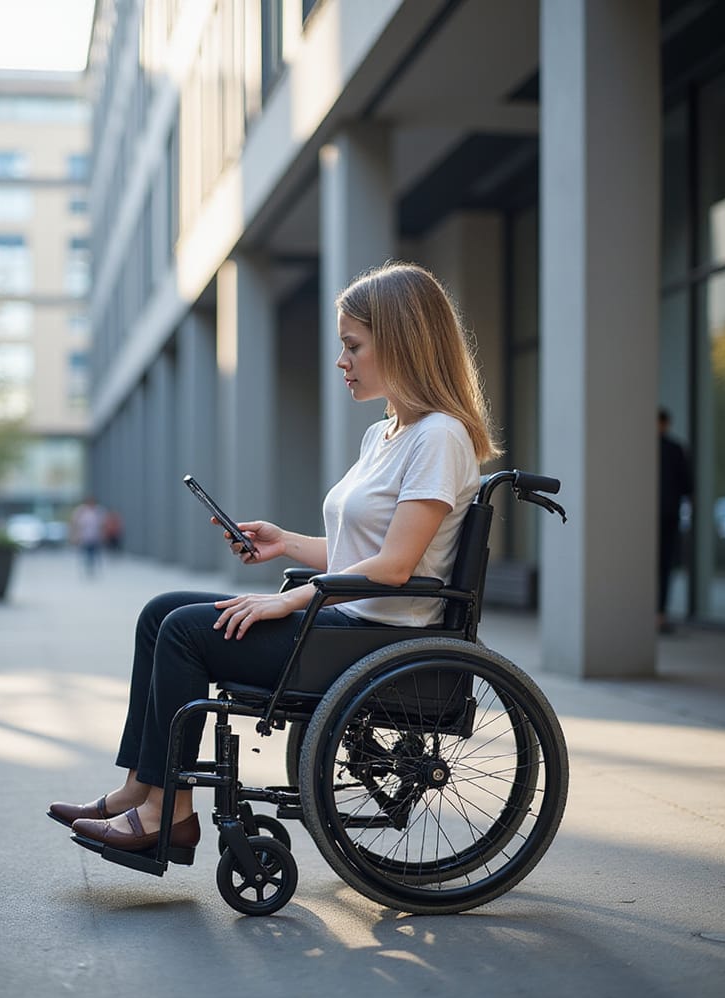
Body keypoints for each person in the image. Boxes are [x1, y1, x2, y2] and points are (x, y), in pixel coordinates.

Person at [49, 261, 501, 857]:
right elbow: (360, 553)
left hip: (378, 637)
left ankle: (169, 811)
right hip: (346, 620)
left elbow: (395, 568)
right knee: (161, 612)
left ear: (400, 343)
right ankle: (142, 786)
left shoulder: (439, 436)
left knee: (185, 631)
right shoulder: (384, 435)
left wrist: (288, 600)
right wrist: (285, 542)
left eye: (353, 346)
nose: (341, 361)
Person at [658, 408, 692, 633]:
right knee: (663, 565)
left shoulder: (671, 449)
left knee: (661, 565)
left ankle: (658, 614)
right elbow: (687, 485)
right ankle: (658, 615)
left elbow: (686, 484)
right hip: (668, 514)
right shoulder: (673, 449)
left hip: (663, 516)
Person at [70, 497, 107, 577]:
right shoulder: (81, 511)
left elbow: (103, 525)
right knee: (86, 553)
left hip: (95, 537)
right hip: (84, 537)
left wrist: (103, 535)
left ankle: (93, 567)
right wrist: (74, 536)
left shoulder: (98, 511)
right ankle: (88, 567)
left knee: (94, 553)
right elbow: (75, 523)